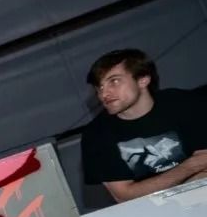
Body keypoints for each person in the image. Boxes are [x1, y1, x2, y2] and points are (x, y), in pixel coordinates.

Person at [79, 48, 207, 202]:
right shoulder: (96, 135)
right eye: (99, 87)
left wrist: (149, 189)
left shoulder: (184, 103)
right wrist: (191, 166)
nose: (104, 94)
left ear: (143, 80)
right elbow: (124, 196)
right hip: (150, 215)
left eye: (114, 81)